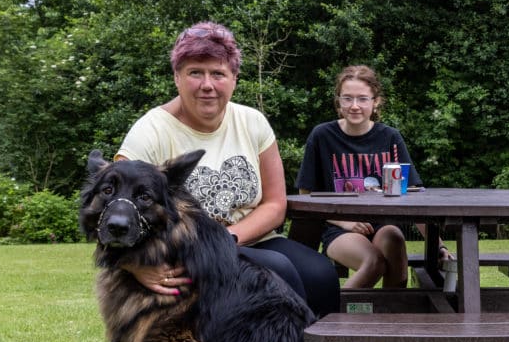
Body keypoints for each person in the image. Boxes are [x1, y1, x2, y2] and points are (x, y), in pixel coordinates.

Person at [114, 21, 340, 318]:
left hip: (248, 238)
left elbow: (274, 203)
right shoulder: (150, 132)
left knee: (321, 273)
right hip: (186, 252)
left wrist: (229, 237)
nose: (207, 84)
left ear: (234, 78)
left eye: (218, 73)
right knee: (278, 270)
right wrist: (138, 265)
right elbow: (116, 206)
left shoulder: (252, 122)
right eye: (195, 72)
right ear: (177, 78)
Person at [296, 65, 451, 289]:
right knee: (374, 262)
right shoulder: (322, 136)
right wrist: (344, 222)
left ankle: (390, 318)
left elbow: (414, 194)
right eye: (347, 98)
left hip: (383, 224)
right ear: (338, 101)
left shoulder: (390, 137)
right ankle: (333, 317)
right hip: (340, 229)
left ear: (375, 101)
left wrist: (439, 246)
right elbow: (306, 194)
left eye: (362, 99)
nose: (355, 106)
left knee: (395, 243)